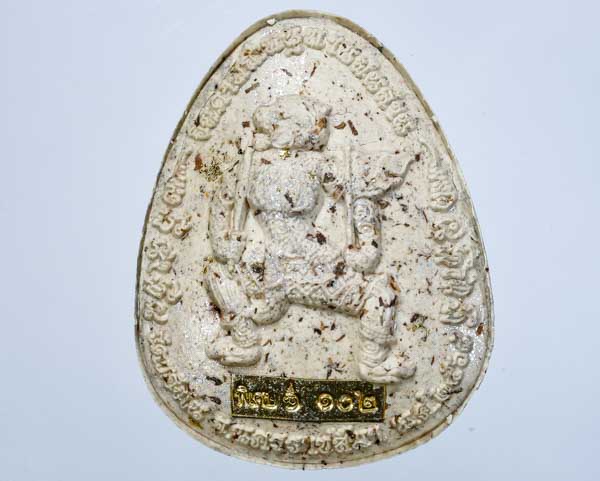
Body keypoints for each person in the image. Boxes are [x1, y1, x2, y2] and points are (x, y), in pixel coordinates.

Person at [205, 95, 415, 383]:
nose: (320, 131)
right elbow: (222, 203)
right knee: (215, 272)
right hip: (267, 269)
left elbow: (356, 196)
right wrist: (223, 245)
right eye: (316, 124)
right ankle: (245, 341)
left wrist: (368, 246)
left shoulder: (317, 164)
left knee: (380, 291)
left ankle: (372, 361)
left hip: (312, 265)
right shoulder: (249, 165)